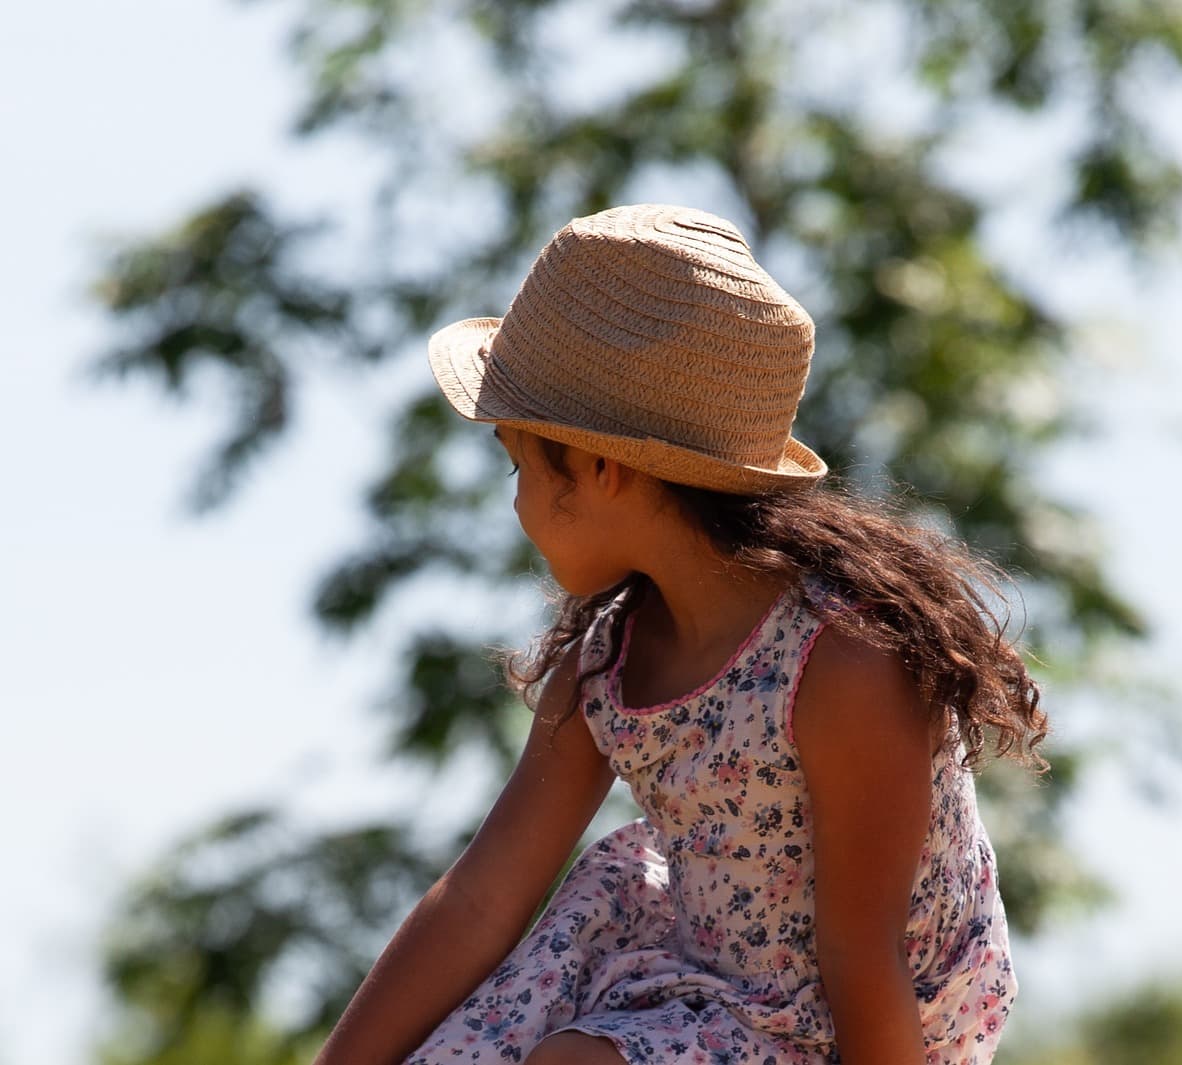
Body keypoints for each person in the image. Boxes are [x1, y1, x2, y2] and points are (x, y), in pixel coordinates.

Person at [313, 203, 1047, 1065]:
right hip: (704, 979)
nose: (514, 502)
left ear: (598, 466)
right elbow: (484, 895)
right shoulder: (610, 660)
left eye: (519, 462)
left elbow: (864, 954)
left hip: (866, 1018)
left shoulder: (843, 659)